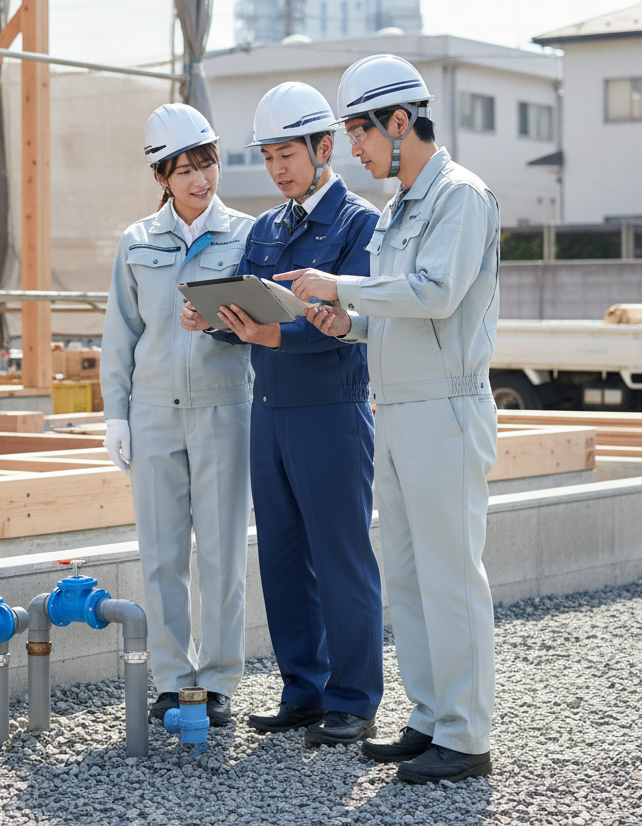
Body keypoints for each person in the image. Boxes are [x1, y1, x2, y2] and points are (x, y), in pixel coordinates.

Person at [280, 54, 500, 783]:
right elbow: (393, 313)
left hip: (446, 407)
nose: (354, 149)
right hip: (400, 408)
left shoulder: (461, 196)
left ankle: (466, 735)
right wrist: (346, 322)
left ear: (400, 122)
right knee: (407, 576)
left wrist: (341, 286)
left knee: (450, 576)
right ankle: (430, 717)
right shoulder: (402, 207)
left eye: (361, 133)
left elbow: (435, 294)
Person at [182, 81, 384, 746]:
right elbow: (247, 311)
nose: (277, 169)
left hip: (331, 411)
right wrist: (212, 319)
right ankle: (304, 689)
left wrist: (276, 335)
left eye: (287, 154)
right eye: (267, 156)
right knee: (282, 556)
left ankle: (353, 697)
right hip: (267, 411)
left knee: (341, 556)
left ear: (325, 148)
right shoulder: (266, 230)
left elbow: (353, 320)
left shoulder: (359, 224)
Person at [100, 102, 255, 728]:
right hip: (153, 414)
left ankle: (216, 681)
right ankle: (171, 678)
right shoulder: (136, 242)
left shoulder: (247, 236)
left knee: (222, 553)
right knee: (161, 552)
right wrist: (116, 415)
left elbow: (261, 327)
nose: (200, 179)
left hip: (224, 410)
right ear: (161, 176)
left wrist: (219, 324)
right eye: (184, 169)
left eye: (207, 164)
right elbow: (121, 334)